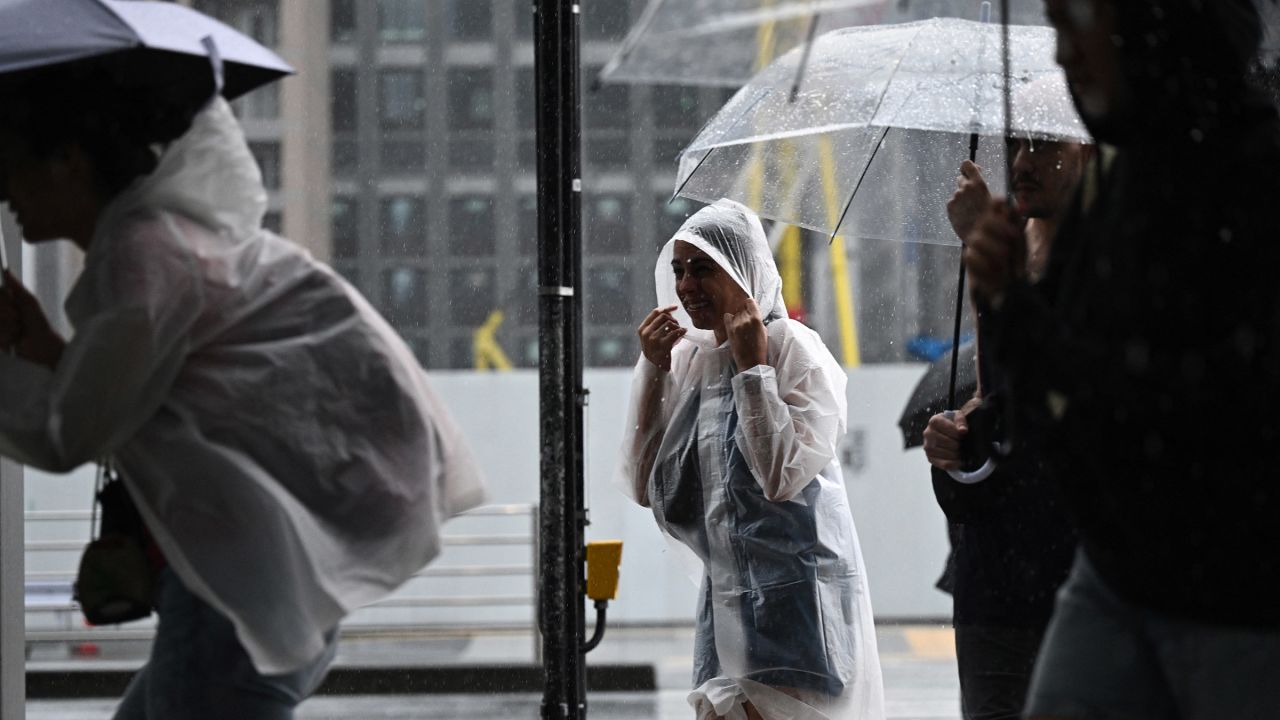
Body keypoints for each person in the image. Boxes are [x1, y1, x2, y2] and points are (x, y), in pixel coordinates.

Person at [0, 60, 486, 719]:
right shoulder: (174, 245)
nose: (6, 188)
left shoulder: (145, 256)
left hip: (233, 591)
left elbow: (70, 432)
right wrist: (38, 346)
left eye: (16, 160)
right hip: (258, 581)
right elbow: (139, 399)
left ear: (70, 161)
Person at [963, 1, 1280, 717]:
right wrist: (1008, 302)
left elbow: (1187, 398)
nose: (1065, 52)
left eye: (1077, 22)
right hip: (1116, 576)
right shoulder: (1115, 181)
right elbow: (1055, 399)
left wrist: (1024, 316)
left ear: (1154, 22)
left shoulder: (1255, 179)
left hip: (1241, 597)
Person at [617, 198, 884, 720]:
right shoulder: (692, 364)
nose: (687, 285)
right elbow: (646, 484)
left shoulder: (794, 350)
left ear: (743, 271)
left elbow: (780, 474)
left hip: (800, 611)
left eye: (703, 269)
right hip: (726, 608)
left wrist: (752, 369)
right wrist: (654, 371)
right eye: (678, 271)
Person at [922, 132, 1091, 720]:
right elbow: (998, 388)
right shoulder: (1011, 245)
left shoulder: (1103, 255)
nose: (1022, 162)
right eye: (1018, 145)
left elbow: (1062, 389)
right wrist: (958, 426)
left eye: (1046, 147)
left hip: (1078, 568)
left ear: (1090, 152)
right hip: (995, 571)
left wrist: (980, 243)